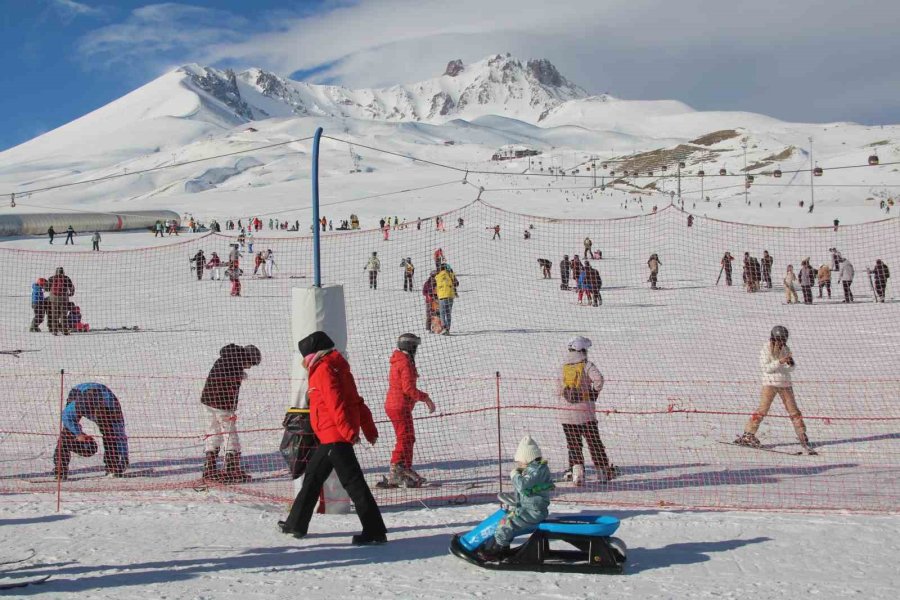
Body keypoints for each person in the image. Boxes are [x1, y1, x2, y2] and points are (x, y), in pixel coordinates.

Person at [280, 332, 387, 545]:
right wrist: (369, 429)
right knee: (312, 479)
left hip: (334, 435)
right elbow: (356, 401)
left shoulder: (323, 369)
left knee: (354, 484)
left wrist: (348, 432)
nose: (304, 362)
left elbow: (334, 403)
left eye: (305, 357)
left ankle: (374, 531)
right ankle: (295, 524)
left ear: (314, 354)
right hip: (332, 435)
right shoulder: (338, 367)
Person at [735, 326, 815, 454]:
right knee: (762, 410)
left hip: (785, 384)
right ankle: (748, 434)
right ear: (773, 338)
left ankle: (802, 434)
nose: (781, 343)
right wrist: (780, 362)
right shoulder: (766, 348)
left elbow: (789, 370)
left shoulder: (786, 348)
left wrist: (790, 364)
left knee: (794, 411)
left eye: (783, 340)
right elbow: (765, 368)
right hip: (770, 384)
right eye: (779, 340)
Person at [477, 435, 554, 560]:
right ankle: (498, 546)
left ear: (528, 458)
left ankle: (498, 551)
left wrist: (514, 475)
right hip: (528, 509)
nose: (518, 464)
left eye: (520, 461)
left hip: (533, 512)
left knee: (505, 525)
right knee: (503, 521)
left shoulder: (537, 471)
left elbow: (523, 485)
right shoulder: (534, 469)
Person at [558, 337, 617, 484]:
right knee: (594, 442)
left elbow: (557, 389)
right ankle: (603, 472)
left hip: (566, 415)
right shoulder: (586, 365)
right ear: (583, 350)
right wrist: (592, 393)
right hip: (586, 413)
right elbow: (599, 380)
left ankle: (577, 473)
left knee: (573, 444)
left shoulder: (563, 367)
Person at [200, 344, 260, 482]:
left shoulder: (226, 358)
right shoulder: (236, 366)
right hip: (222, 404)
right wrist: (231, 409)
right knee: (229, 433)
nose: (249, 367)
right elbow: (231, 390)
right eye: (251, 363)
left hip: (207, 400)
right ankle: (231, 469)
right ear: (247, 358)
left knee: (212, 431)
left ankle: (210, 467)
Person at [383, 334, 435, 487]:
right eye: (415, 347)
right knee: (405, 437)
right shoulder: (405, 362)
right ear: (410, 347)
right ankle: (398, 469)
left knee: (407, 437)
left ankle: (404, 468)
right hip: (399, 406)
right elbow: (408, 388)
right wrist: (426, 398)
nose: (416, 350)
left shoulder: (401, 360)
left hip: (397, 405)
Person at [53, 383, 129, 480]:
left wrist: (124, 457)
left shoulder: (113, 411)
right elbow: (66, 416)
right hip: (78, 391)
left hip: (104, 397)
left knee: (110, 433)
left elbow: (120, 435)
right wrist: (78, 433)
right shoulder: (80, 404)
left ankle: (113, 467)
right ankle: (60, 469)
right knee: (67, 432)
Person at [47, 267, 75, 335]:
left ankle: (54, 331)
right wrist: (71, 293)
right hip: (64, 299)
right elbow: (71, 287)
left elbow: (47, 288)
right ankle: (65, 331)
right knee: (63, 315)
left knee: (54, 315)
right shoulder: (66, 278)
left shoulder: (51, 278)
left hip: (53, 299)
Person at [435, 263, 458, 335]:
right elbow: (457, 283)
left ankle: (444, 327)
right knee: (448, 313)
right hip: (450, 296)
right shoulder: (450, 275)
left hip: (442, 297)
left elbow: (433, 285)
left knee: (442, 313)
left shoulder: (437, 276)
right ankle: (447, 329)